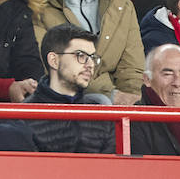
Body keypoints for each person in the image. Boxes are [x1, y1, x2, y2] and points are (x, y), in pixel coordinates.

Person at [24, 24, 115, 154]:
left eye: (93, 58)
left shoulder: (103, 118)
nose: (90, 65)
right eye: (80, 55)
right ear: (54, 60)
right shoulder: (24, 116)